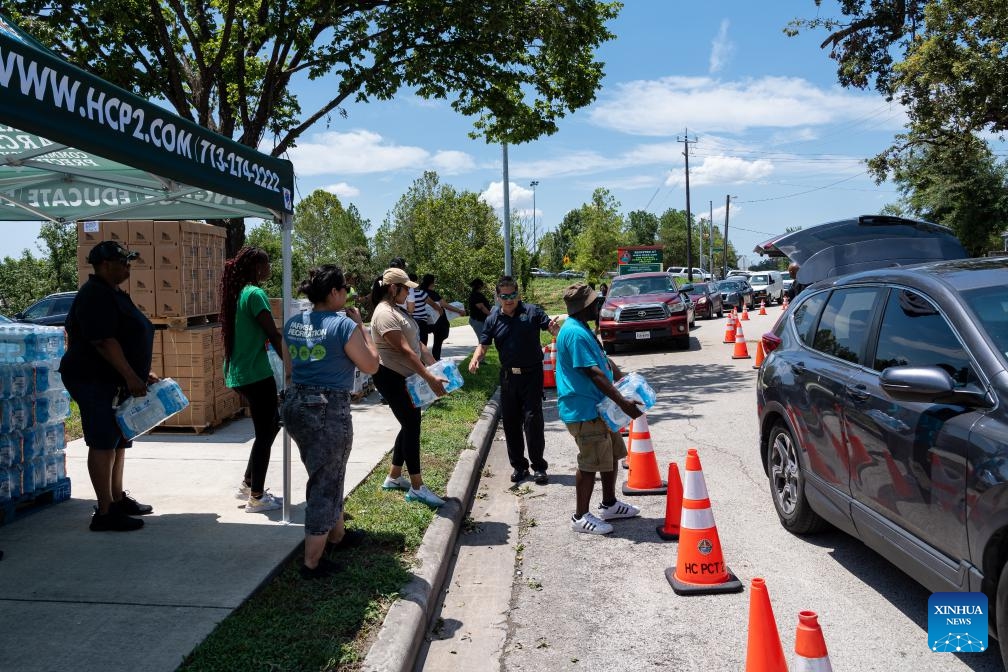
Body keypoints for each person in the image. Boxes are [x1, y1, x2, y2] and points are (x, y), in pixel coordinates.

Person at [282, 265, 380, 579]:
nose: (347, 295)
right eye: (345, 290)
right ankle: (312, 563)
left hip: (296, 403)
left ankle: (337, 535)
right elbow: (371, 364)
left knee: (325, 472)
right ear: (335, 292)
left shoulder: (295, 322)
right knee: (325, 482)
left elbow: (289, 364)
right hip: (327, 407)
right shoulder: (343, 325)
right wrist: (361, 327)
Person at [60, 241, 157, 531]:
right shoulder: (94, 295)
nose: (128, 265)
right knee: (103, 442)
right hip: (93, 378)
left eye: (129, 260)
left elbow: (126, 336)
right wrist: (130, 375)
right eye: (122, 261)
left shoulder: (113, 293)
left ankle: (116, 499)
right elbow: (103, 341)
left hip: (112, 378)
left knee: (118, 439)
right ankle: (104, 513)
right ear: (103, 264)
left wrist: (141, 372)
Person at [554, 283, 643, 535]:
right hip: (584, 410)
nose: (599, 305)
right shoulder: (575, 333)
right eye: (595, 302)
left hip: (598, 408)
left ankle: (609, 504)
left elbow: (601, 361)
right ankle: (580, 517)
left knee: (612, 454)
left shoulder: (582, 328)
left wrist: (622, 378)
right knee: (590, 462)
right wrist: (622, 402)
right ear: (585, 306)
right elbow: (592, 373)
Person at [370, 267, 448, 507]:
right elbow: (403, 349)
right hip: (391, 377)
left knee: (409, 423)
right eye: (406, 289)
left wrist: (437, 368)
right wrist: (428, 377)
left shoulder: (397, 310)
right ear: (393, 288)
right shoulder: (384, 314)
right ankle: (417, 487)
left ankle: (394, 477)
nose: (409, 293)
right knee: (412, 425)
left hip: (404, 377)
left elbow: (417, 344)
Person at [469, 276, 559, 485]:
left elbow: (549, 326)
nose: (508, 300)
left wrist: (555, 330)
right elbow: (483, 344)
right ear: (498, 297)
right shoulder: (493, 318)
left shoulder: (531, 312)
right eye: (504, 296)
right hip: (509, 377)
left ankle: (539, 467)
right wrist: (475, 359)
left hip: (532, 374)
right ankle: (519, 466)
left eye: (512, 295)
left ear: (518, 294)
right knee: (510, 422)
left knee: (532, 420)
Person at [219, 246, 283, 513]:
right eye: (266, 264)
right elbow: (274, 334)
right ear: (257, 267)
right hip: (256, 373)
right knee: (266, 431)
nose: (269, 268)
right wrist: (292, 367)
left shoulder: (238, 293)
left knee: (270, 427)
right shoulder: (255, 294)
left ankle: (248, 483)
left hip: (239, 372)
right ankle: (256, 496)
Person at [420, 273, 466, 360]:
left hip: (425, 320)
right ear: (432, 283)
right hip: (438, 321)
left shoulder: (420, 292)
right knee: (439, 339)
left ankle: (423, 361)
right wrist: (459, 311)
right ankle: (435, 358)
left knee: (423, 342)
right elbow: (444, 305)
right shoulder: (433, 294)